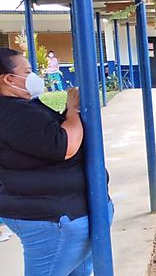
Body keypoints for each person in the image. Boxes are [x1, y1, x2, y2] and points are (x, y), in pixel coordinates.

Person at [0, 48, 113, 275]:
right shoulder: (13, 113)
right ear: (9, 79)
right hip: (54, 221)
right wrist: (72, 111)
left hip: (62, 215)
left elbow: (42, 140)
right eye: (28, 71)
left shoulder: (20, 108)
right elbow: (65, 145)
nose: (34, 77)